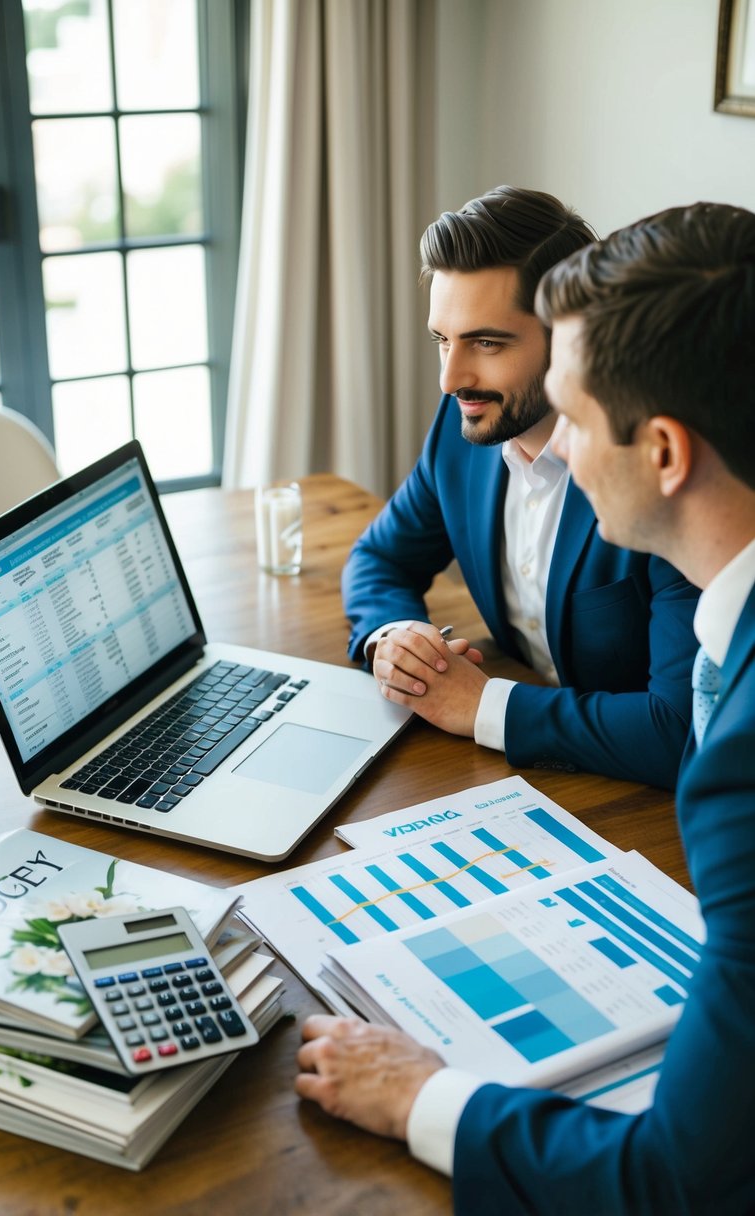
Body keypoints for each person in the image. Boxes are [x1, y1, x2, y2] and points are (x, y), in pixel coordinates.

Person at [296, 200, 755, 1214]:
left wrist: (419, 1093)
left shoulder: (738, 770)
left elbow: (671, 1177)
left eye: (578, 414)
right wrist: (390, 638)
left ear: (665, 452)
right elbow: (381, 557)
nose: (562, 451)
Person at [343, 185, 699, 789]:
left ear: (569, 338)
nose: (450, 378)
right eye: (441, 340)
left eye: (486, 342)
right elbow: (379, 558)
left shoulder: (657, 469)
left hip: (644, 808)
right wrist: (397, 639)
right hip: (517, 783)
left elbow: (681, 731)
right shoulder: (465, 426)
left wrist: (483, 707)